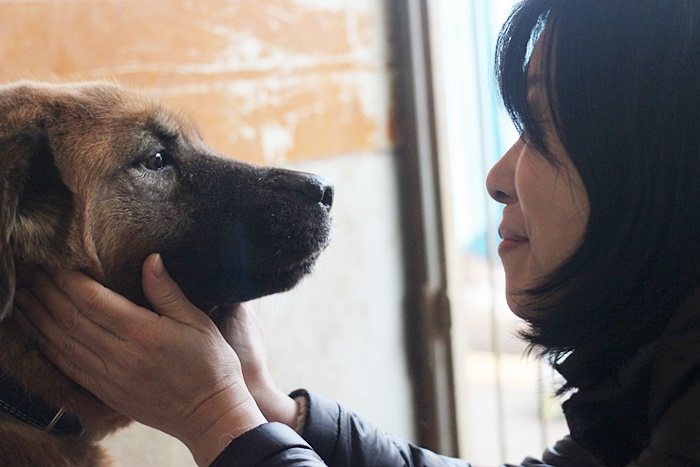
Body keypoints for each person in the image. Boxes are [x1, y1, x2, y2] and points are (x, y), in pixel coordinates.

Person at [15, 0, 700, 465]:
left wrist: (217, 420)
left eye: (543, 133)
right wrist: (274, 412)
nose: (497, 175)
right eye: (159, 160)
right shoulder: (654, 361)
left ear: (654, 166)